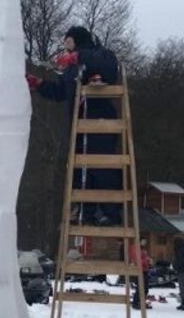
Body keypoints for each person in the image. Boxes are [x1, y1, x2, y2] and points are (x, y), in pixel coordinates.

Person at [28, 26, 123, 226]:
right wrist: (39, 84)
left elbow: (109, 67)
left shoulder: (100, 54)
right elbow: (60, 91)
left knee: (103, 168)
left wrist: (78, 57)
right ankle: (85, 213)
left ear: (77, 40)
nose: (66, 46)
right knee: (81, 170)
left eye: (68, 42)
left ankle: (110, 213)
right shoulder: (72, 69)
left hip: (101, 121)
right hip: (78, 123)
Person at [129, 238, 152, 310]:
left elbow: (144, 258)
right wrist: (147, 260)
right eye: (143, 241)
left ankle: (142, 302)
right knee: (140, 287)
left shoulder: (143, 249)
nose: (145, 243)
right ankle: (136, 303)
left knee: (145, 288)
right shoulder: (135, 248)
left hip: (145, 270)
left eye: (145, 241)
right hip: (139, 270)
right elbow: (137, 260)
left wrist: (149, 261)